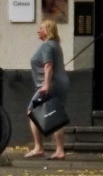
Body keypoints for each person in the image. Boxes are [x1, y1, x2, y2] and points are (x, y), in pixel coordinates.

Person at [25, 19, 70, 159]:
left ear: (48, 30)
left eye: (41, 28)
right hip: (60, 83)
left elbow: (48, 65)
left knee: (32, 111)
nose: (38, 30)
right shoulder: (55, 45)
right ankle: (59, 150)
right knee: (55, 114)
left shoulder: (46, 46)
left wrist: (45, 84)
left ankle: (39, 147)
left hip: (50, 85)